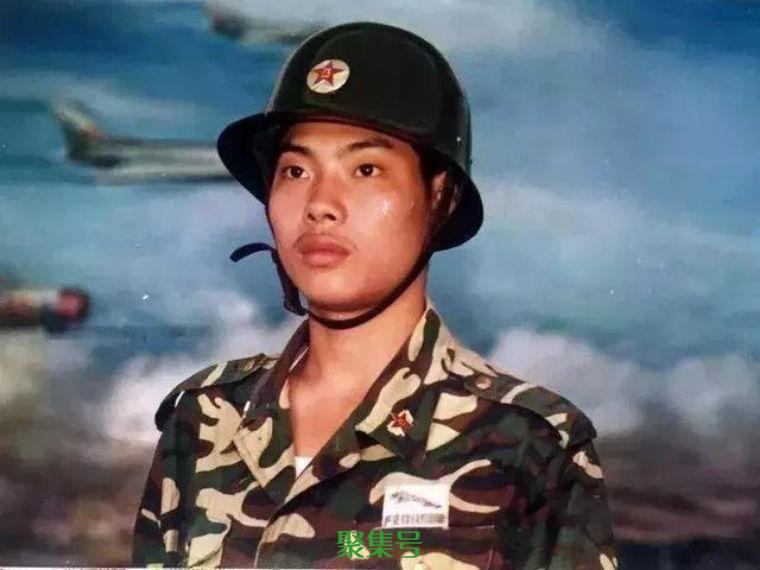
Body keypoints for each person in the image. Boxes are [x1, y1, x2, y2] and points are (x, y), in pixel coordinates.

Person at [131, 22, 617, 569]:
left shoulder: (528, 444)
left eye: (366, 169)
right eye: (295, 170)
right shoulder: (204, 417)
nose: (320, 204)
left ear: (440, 196)